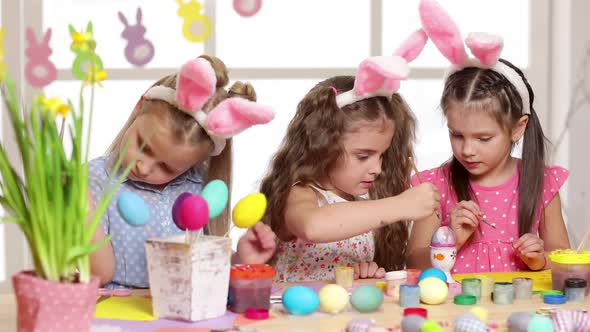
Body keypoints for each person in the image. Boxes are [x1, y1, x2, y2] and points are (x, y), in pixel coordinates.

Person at [406, 0, 570, 273]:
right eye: (456, 134)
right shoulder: (434, 186)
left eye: (483, 138)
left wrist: (540, 260)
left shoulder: (542, 183)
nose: (468, 149)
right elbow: (412, 263)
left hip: (519, 312)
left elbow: (565, 264)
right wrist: (449, 241)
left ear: (518, 127)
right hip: (453, 312)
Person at [259, 41, 441, 282]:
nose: (377, 169)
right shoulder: (301, 193)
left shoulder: (361, 201)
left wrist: (365, 276)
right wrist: (401, 206)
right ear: (323, 146)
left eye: (382, 155)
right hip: (296, 319)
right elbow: (312, 226)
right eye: (363, 156)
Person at [88, 55, 277, 288]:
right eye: (143, 146)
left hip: (183, 313)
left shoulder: (199, 187)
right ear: (139, 107)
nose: (143, 167)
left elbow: (205, 270)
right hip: (119, 314)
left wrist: (241, 260)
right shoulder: (95, 180)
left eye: (167, 167)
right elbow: (98, 274)